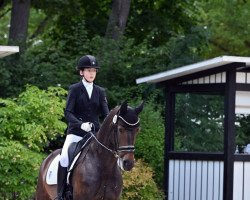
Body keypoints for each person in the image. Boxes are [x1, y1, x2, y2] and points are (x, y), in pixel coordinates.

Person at [57, 55, 109, 200]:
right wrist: (80, 124)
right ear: (81, 72)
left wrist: (113, 120)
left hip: (95, 134)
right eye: (88, 70)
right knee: (64, 158)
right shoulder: (75, 89)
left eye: (94, 70)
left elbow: (106, 114)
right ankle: (60, 193)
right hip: (76, 133)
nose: (92, 73)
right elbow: (68, 112)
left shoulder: (100, 91)